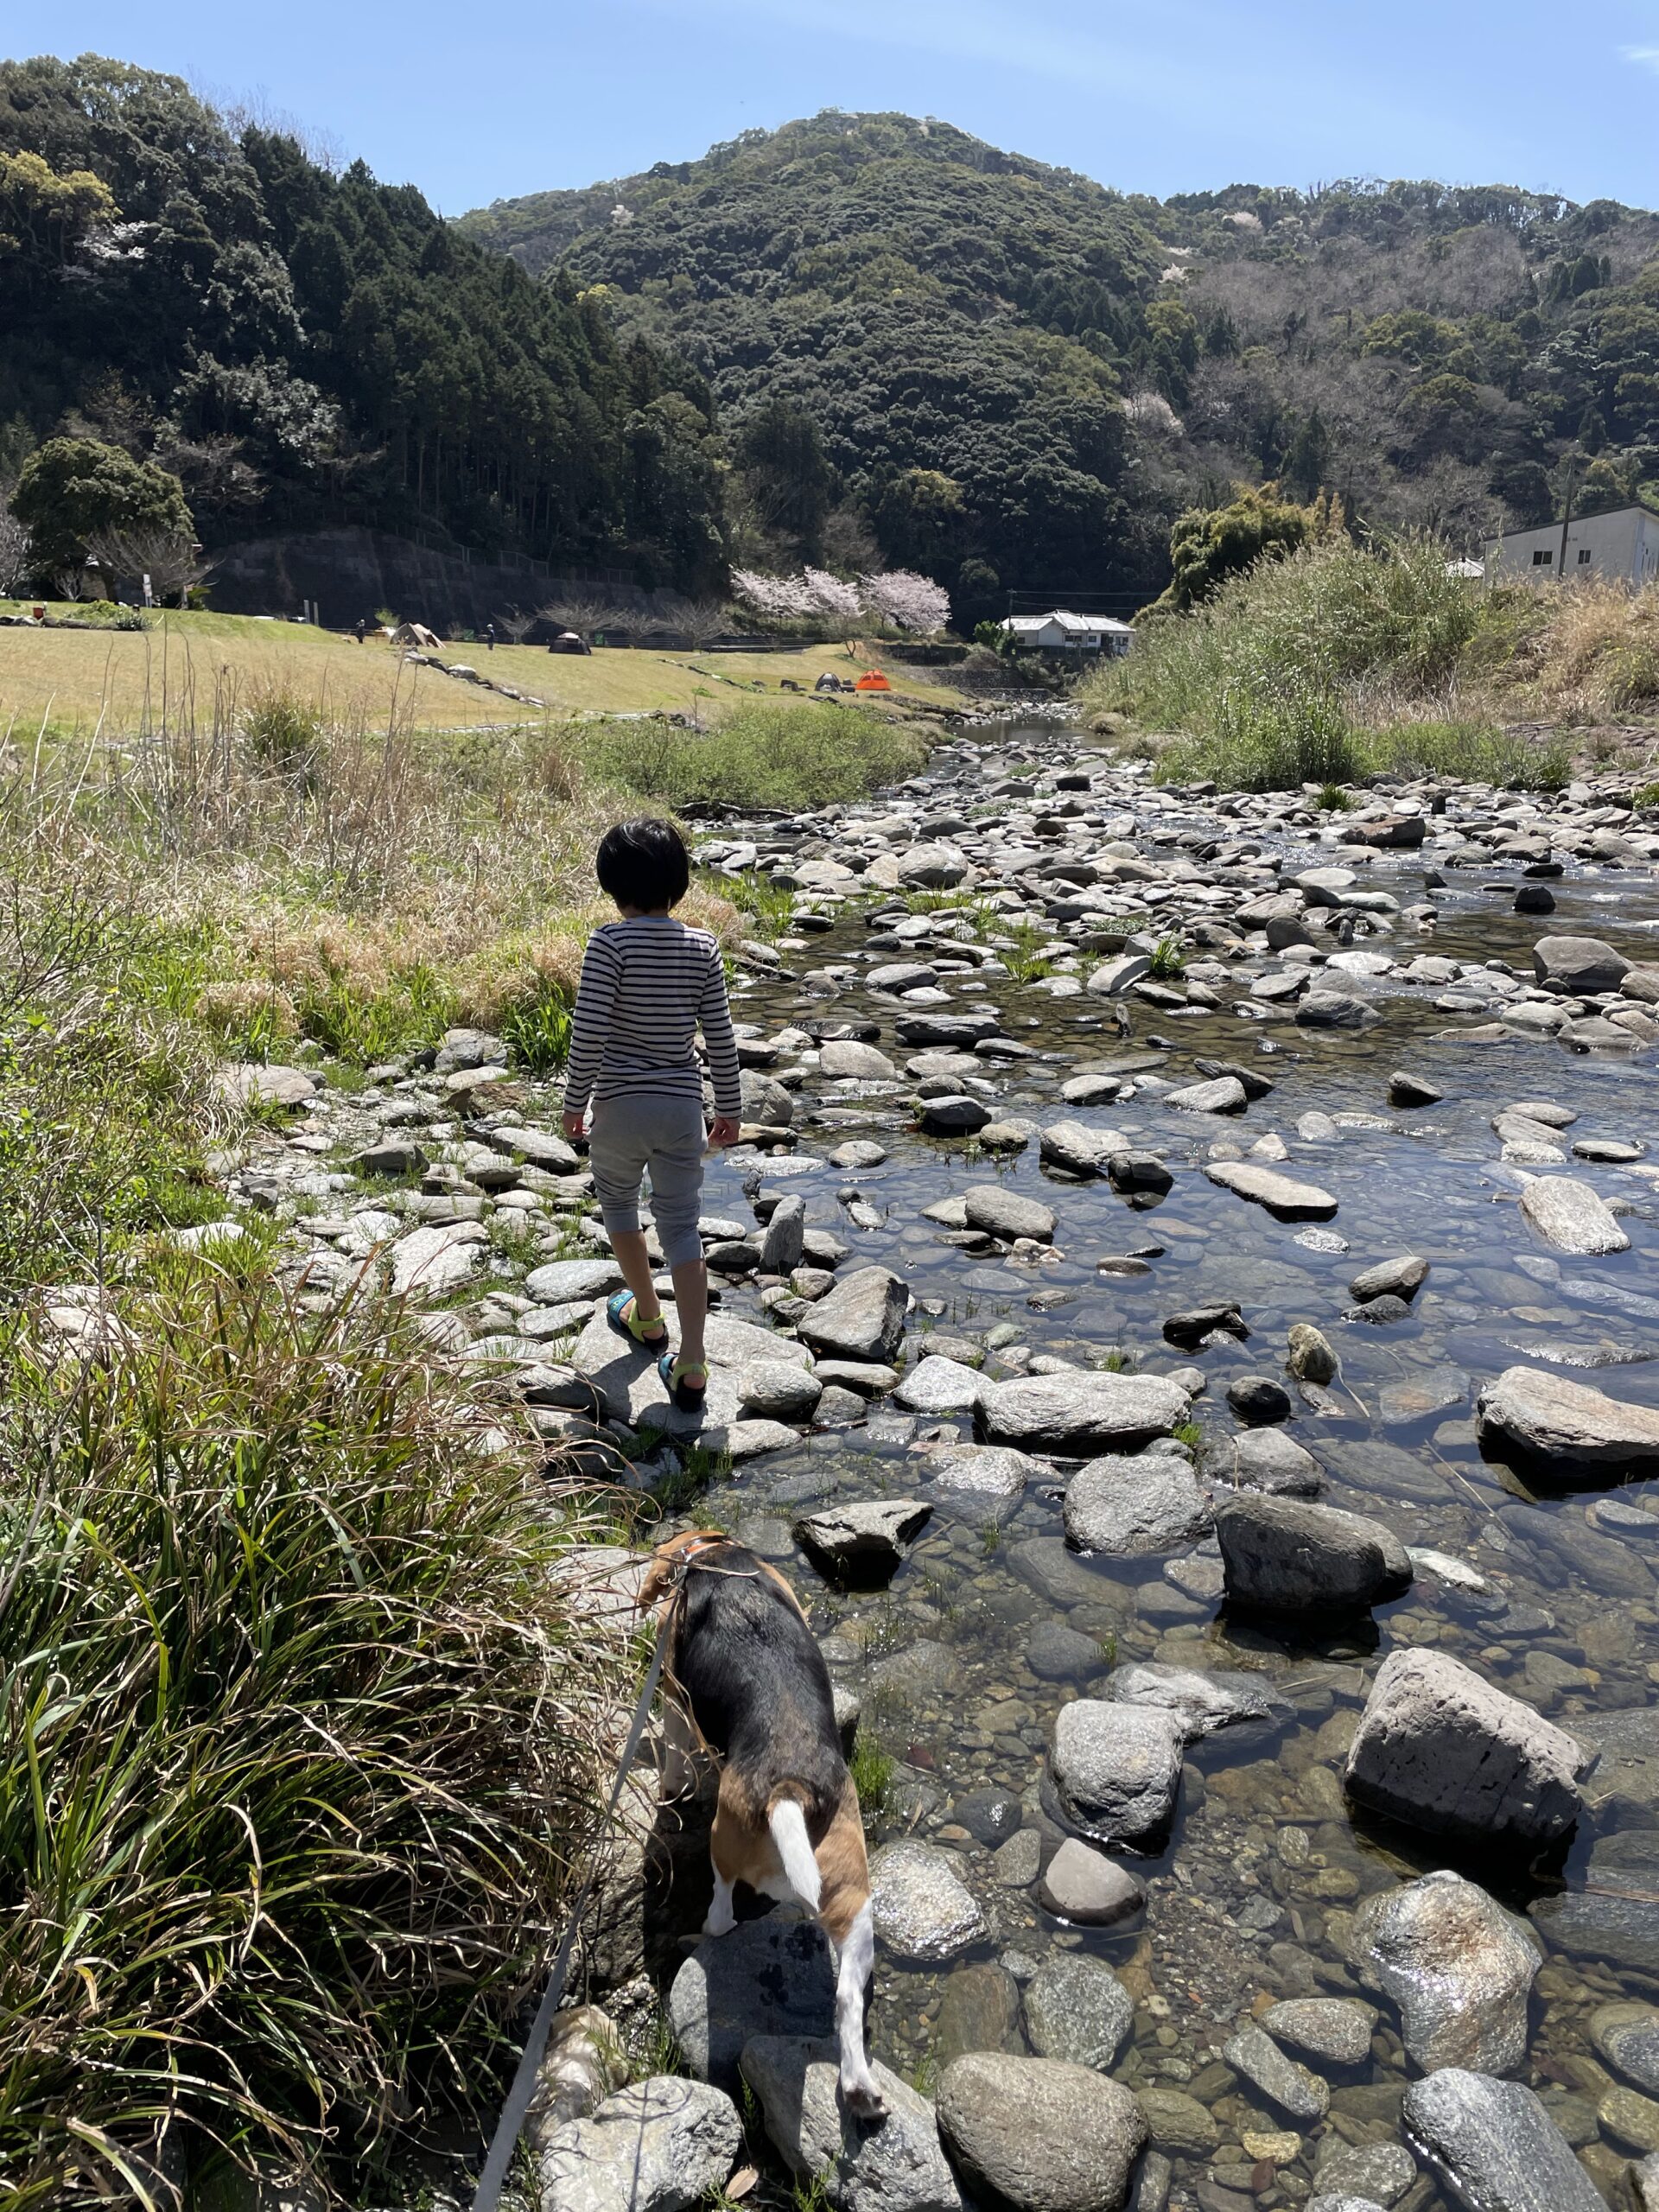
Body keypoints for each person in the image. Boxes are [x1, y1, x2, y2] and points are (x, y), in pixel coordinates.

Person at [561, 819, 741, 1411]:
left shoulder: (608, 945)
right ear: (679, 885)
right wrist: (730, 1109)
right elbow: (719, 1036)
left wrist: (574, 1101)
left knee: (618, 1203)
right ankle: (691, 1362)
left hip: (619, 1105)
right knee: (682, 1224)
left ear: (611, 885)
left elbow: (588, 1034)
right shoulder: (703, 946)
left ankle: (646, 1315)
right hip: (681, 1107)